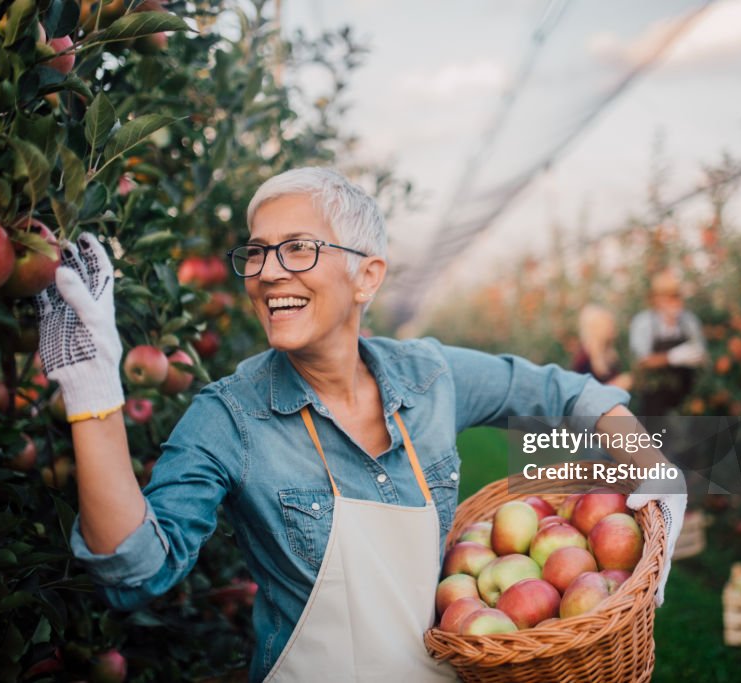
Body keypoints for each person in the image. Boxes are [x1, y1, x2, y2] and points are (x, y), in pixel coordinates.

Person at [37, 168, 686, 682]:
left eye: (297, 249)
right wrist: (94, 396)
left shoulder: (430, 378)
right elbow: (137, 571)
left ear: (366, 275)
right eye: (258, 252)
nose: (267, 272)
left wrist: (651, 464)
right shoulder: (231, 416)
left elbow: (565, 391)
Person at [628, 269, 707, 416]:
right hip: (654, 400)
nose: (675, 302)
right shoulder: (644, 323)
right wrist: (672, 357)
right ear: (656, 298)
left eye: (677, 296)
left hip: (686, 398)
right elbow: (641, 361)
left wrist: (697, 357)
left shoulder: (688, 321)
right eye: (669, 297)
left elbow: (703, 355)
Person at [571, 304, 633, 391]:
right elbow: (584, 394)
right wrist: (616, 385)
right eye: (608, 324)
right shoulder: (584, 358)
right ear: (596, 328)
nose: (613, 328)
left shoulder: (610, 353)